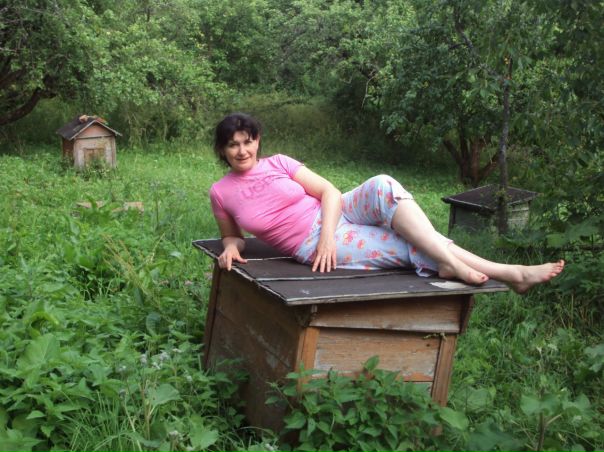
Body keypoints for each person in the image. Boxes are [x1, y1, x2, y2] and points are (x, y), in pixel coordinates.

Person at [209, 113, 564, 293]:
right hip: (308, 243)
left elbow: (329, 192)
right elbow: (232, 236)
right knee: (405, 243)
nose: (242, 151)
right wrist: (230, 246)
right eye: (233, 145)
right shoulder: (221, 192)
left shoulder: (279, 163)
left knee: (383, 184)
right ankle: (510, 274)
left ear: (257, 141)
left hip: (334, 216)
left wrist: (328, 236)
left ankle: (448, 263)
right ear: (223, 150)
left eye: (247, 141)